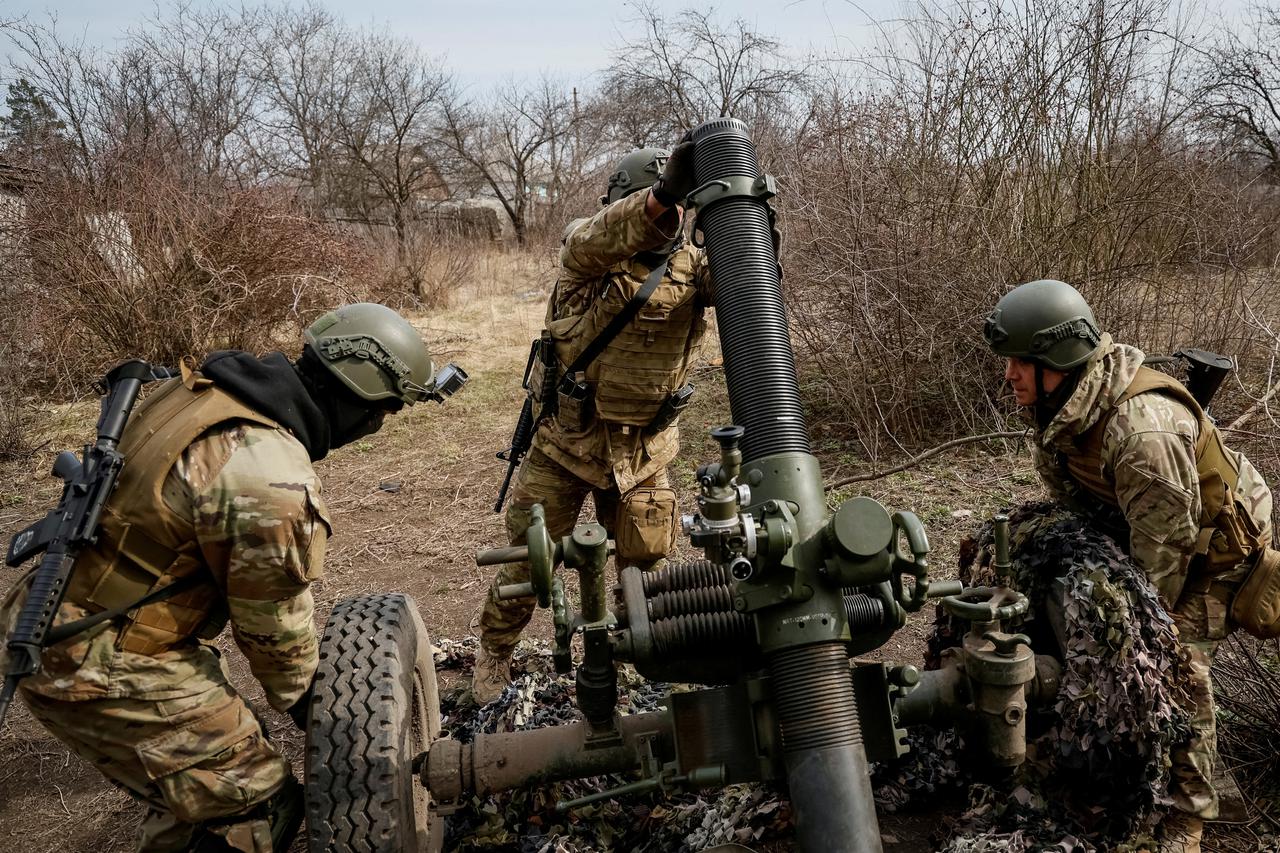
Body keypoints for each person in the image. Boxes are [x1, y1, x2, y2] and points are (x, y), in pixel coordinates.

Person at [0, 303, 448, 852]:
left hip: (67, 607)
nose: (381, 424)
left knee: (211, 770)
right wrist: (349, 723)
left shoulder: (206, 390)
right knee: (255, 807)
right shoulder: (269, 479)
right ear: (361, 401)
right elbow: (277, 643)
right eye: (386, 410)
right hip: (97, 658)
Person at [983, 279, 1274, 853]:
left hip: (1214, 554)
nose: (1009, 375)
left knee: (1170, 661)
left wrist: (1127, 637)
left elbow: (1167, 555)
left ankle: (1189, 813)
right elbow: (1083, 499)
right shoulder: (1061, 403)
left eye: (1020, 362)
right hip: (1146, 526)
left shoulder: (1141, 431)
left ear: (1057, 361)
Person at [472, 137, 713, 704]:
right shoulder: (587, 256)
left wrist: (746, 220)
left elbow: (752, 283)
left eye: (679, 209)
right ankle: (494, 653)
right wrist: (661, 195)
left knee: (648, 573)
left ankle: (637, 657)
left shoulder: (694, 267)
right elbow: (597, 237)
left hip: (644, 453)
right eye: (659, 207)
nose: (670, 218)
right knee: (528, 566)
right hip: (564, 446)